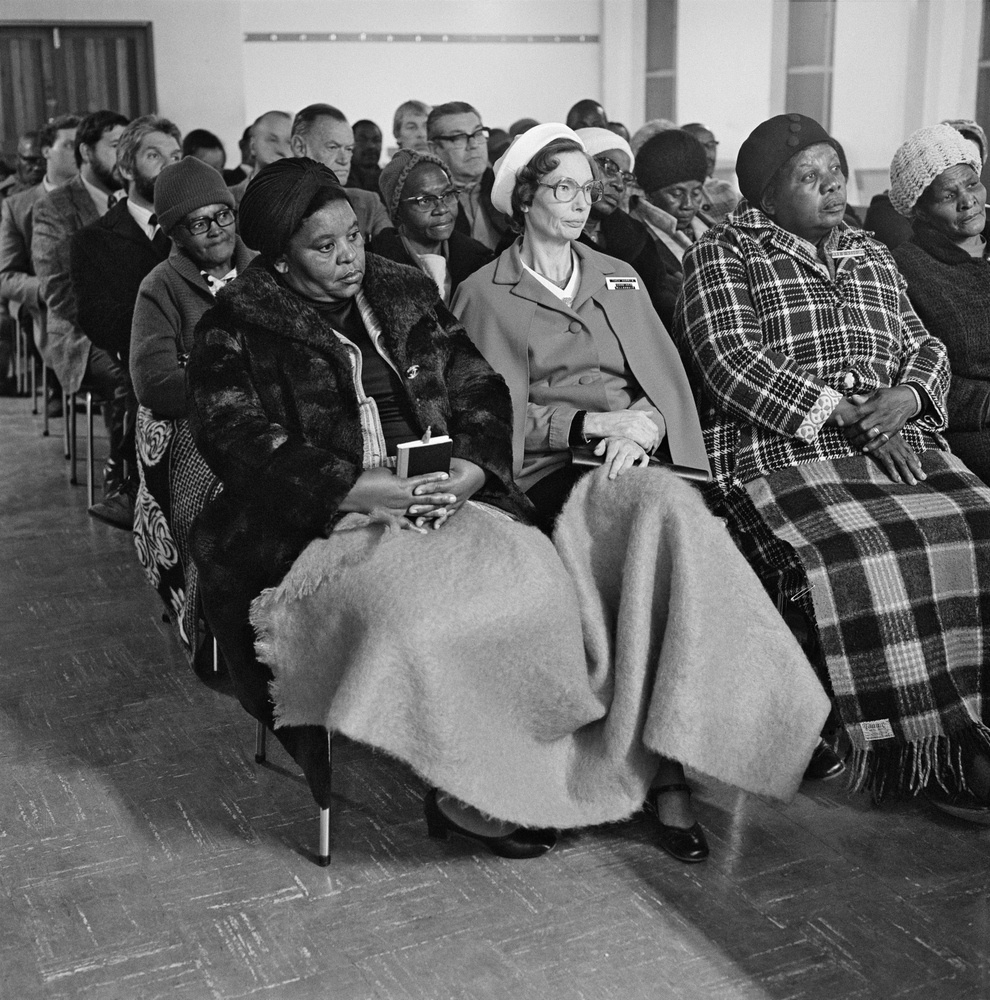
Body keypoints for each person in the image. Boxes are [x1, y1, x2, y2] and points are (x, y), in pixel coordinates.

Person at [451, 124, 829, 862]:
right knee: (661, 521)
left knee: (667, 518)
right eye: (563, 187)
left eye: (587, 188)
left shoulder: (618, 274)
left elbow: (668, 379)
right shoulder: (484, 294)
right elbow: (488, 417)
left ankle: (698, 745)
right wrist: (591, 427)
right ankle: (718, 740)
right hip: (549, 468)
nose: (580, 201)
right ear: (523, 199)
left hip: (640, 455)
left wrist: (647, 424)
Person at [674, 113, 990, 821]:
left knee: (979, 519)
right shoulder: (723, 253)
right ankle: (918, 748)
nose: (831, 188)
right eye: (808, 177)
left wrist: (908, 397)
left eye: (835, 172)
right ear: (764, 195)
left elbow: (924, 344)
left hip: (897, 436)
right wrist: (848, 414)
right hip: (784, 449)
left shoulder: (870, 250)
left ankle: (973, 724)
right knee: (868, 548)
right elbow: (729, 361)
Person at [129, 156, 255, 659]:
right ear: (175, 234)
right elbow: (155, 382)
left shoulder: (266, 269)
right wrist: (238, 386)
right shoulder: (160, 285)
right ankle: (216, 619)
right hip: (201, 424)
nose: (217, 229)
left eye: (222, 215)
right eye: (199, 224)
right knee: (224, 492)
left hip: (269, 415)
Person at [70, 115, 181, 529]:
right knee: (148, 376)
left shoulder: (193, 230)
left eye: (176, 156)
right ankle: (137, 485)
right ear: (126, 166)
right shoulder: (93, 239)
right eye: (155, 156)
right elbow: (96, 316)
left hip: (195, 344)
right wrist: (156, 338)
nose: (169, 167)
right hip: (134, 348)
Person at [890, 123, 990, 484]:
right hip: (974, 427)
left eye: (972, 184)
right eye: (949, 196)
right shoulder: (905, 268)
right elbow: (909, 371)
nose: (968, 200)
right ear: (919, 211)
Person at [32, 111, 125, 425]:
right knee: (131, 375)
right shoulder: (54, 206)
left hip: (140, 324)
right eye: (115, 146)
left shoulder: (138, 196)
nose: (124, 156)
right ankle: (125, 454)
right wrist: (121, 326)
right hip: (82, 335)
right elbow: (59, 290)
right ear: (86, 151)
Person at [0, 124, 80, 405]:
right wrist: (46, 289)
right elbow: (6, 274)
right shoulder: (16, 204)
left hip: (86, 291)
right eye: (29, 160)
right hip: (37, 294)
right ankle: (56, 383)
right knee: (34, 313)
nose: (35, 167)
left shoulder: (97, 195)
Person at [574, 126, 679, 328]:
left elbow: (661, 299)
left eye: (626, 177)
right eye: (610, 168)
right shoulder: (550, 237)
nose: (619, 185)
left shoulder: (635, 235)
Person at [368, 149, 492, 304]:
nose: (442, 209)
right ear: (398, 210)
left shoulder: (479, 260)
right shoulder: (374, 270)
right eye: (425, 200)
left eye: (448, 195)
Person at [288, 104, 390, 241]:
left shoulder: (369, 203)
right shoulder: (271, 206)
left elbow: (393, 251)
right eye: (333, 147)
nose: (344, 160)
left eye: (349, 149)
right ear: (299, 147)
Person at [632, 129, 714, 281]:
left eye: (696, 193)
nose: (688, 204)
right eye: (676, 194)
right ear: (650, 194)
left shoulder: (715, 231)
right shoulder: (635, 239)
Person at [428, 102, 509, 251]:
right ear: (434, 149)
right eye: (459, 137)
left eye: (478, 133)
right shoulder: (427, 201)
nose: (473, 144)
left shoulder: (509, 188)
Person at [228, 111, 291, 206]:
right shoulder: (227, 199)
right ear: (253, 146)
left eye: (288, 142)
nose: (281, 149)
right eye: (272, 140)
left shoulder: (307, 201)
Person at [680, 121, 740, 222]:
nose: (707, 155)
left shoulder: (725, 191)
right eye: (698, 146)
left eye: (711, 145)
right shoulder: (674, 197)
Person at [346, 119, 383, 194]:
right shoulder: (340, 180)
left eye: (376, 140)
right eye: (362, 140)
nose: (371, 146)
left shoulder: (391, 181)